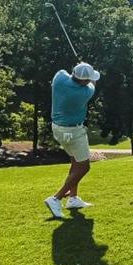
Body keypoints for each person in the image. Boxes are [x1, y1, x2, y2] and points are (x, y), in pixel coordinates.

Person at [44, 62, 101, 220]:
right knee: (84, 167)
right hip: (73, 131)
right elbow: (93, 84)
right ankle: (56, 198)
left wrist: (80, 67)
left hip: (58, 128)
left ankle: (73, 199)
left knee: (75, 162)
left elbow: (68, 73)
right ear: (83, 81)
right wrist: (88, 76)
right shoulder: (84, 93)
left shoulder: (59, 78)